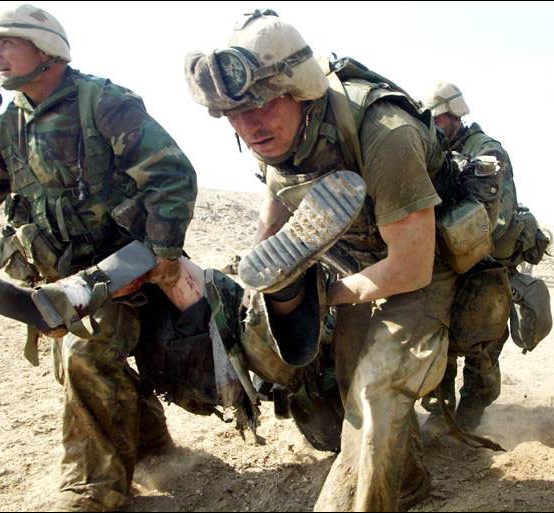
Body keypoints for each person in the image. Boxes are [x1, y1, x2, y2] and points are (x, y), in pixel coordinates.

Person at [185, 10, 459, 511]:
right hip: (355, 263)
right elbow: (279, 189)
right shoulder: (276, 134)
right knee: (349, 382)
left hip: (421, 268)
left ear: (302, 90)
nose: (248, 125)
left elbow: (412, 267)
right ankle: (407, 482)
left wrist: (321, 296)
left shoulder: (385, 131)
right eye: (232, 114)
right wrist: (264, 266)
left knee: (377, 387)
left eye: (261, 105)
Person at [0, 4, 197, 511]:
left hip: (128, 269)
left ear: (46, 49)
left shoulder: (103, 103)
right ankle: (150, 445)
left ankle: (91, 491)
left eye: (7, 42)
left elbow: (170, 174)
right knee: (80, 367)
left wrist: (163, 254)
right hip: (60, 278)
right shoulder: (7, 125)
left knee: (85, 355)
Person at [421, 82, 546, 430]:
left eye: (436, 120)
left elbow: (498, 218)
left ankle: (472, 414)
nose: (432, 128)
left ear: (454, 115)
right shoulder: (439, 152)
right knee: (440, 340)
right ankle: (440, 414)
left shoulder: (487, 152)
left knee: (482, 345)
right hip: (451, 261)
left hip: (487, 266)